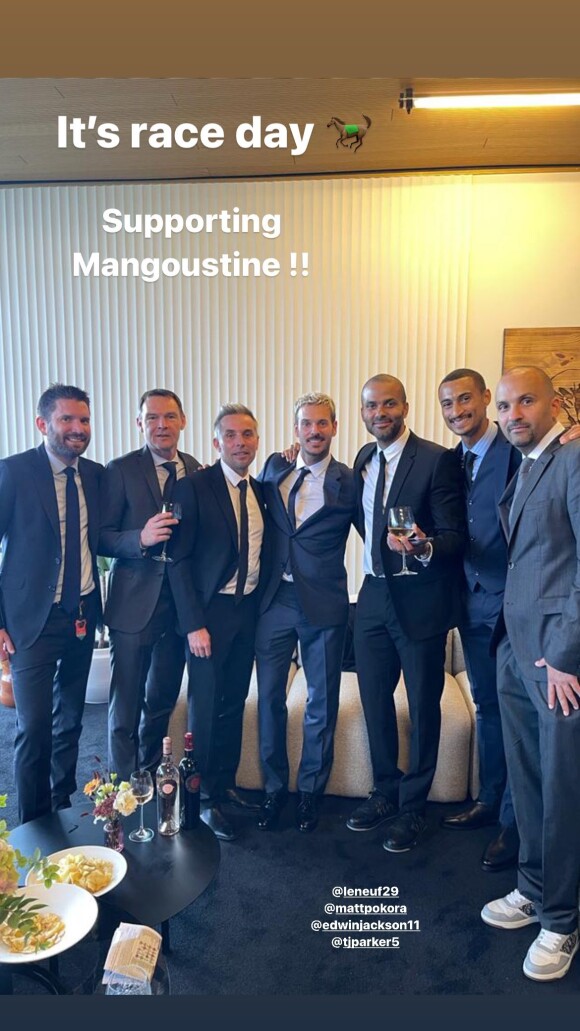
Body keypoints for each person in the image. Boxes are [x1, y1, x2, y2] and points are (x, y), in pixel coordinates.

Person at [481, 366, 580, 983]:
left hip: (557, 662)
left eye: (526, 401)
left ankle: (563, 920)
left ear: (555, 402)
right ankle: (533, 887)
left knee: (562, 789)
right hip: (515, 652)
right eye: (505, 405)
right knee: (528, 782)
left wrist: (568, 655)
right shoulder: (528, 465)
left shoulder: (573, 462)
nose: (513, 413)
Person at [347, 374, 464, 853]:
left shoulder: (437, 460)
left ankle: (413, 807)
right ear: (363, 413)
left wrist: (423, 546)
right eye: (372, 406)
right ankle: (384, 792)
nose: (381, 413)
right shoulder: (362, 460)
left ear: (406, 406)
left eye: (389, 404)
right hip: (372, 597)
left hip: (420, 600)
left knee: (422, 707)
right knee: (374, 701)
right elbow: (363, 520)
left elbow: (456, 534)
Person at [0, 384, 102, 823]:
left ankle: (61, 806)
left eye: (83, 420)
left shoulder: (96, 476)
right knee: (34, 727)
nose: (77, 429)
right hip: (29, 623)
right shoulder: (13, 472)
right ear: (43, 424)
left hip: (80, 615)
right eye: (67, 420)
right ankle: (32, 825)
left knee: (71, 720)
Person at [254, 392, 356, 833]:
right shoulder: (273, 469)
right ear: (295, 429)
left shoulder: (349, 481)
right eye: (306, 424)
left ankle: (310, 791)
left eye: (322, 423)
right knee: (269, 699)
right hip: (274, 601)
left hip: (324, 605)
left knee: (321, 700)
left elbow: (375, 532)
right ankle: (274, 788)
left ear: (334, 427)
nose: (314, 431)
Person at [437, 368, 520, 871]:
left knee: (514, 715)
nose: (457, 410)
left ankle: (514, 823)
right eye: (447, 404)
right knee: (488, 708)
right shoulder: (451, 462)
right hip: (469, 604)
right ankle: (490, 802)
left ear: (487, 398)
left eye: (465, 399)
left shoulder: (518, 452)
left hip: (512, 606)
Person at [99, 388, 200, 780]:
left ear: (183, 421)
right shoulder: (120, 469)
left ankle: (149, 776)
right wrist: (138, 539)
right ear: (140, 423)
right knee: (124, 708)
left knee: (161, 702)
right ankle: (123, 792)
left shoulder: (195, 468)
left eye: (170, 416)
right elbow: (102, 537)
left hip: (179, 608)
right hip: (132, 606)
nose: (162, 425)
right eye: (152, 417)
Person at [181, 403, 267, 842]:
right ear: (217, 443)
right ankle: (203, 801)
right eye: (231, 435)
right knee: (205, 707)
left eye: (248, 434)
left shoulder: (262, 489)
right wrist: (193, 623)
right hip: (208, 616)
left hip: (246, 611)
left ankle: (225, 784)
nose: (240, 442)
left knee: (233, 702)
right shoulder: (194, 487)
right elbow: (178, 561)